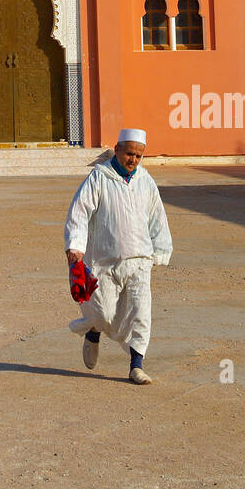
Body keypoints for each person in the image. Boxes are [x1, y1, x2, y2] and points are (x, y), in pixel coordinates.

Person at [64, 128, 172, 384]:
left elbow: (157, 216)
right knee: (103, 313)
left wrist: (160, 249)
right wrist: (75, 246)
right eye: (130, 153)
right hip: (104, 261)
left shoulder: (145, 180)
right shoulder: (99, 178)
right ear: (118, 149)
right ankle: (93, 330)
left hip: (139, 260)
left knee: (140, 313)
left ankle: (136, 365)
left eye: (138, 155)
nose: (133, 160)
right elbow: (79, 212)